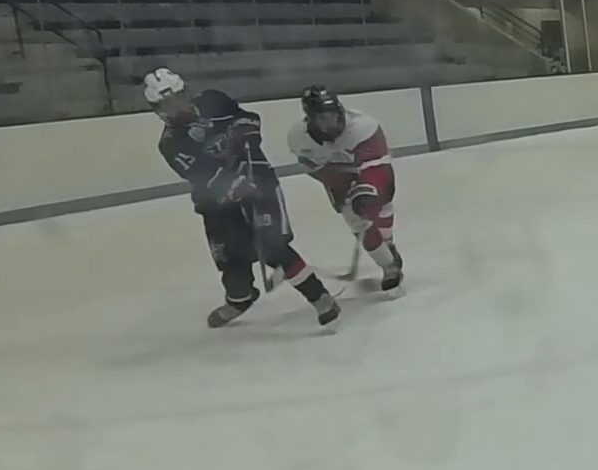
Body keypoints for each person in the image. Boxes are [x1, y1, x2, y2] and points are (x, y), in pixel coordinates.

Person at [143, 68, 340, 328]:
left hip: (258, 180)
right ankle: (240, 299)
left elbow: (247, 117)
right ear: (157, 110)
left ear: (186, 93)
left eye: (177, 99)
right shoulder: (171, 144)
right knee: (231, 261)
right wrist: (234, 185)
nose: (175, 108)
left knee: (274, 246)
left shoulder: (213, 100)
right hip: (217, 204)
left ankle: (321, 298)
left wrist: (248, 131)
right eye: (166, 105)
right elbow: (208, 178)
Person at [288, 86, 405, 292]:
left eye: (333, 115)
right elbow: (314, 168)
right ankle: (389, 265)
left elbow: (377, 166)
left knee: (380, 206)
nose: (331, 122)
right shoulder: (298, 138)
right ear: (310, 118)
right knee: (357, 222)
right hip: (338, 176)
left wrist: (366, 190)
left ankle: (388, 241)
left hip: (370, 170)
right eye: (322, 118)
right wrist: (339, 183)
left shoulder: (364, 127)